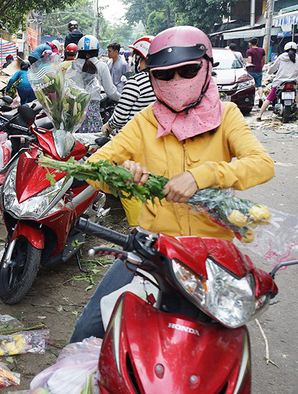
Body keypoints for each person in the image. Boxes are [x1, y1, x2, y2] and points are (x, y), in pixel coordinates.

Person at [69, 26, 274, 343]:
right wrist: (123, 174)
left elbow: (262, 164)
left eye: (187, 70)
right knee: (87, 332)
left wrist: (202, 176)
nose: (176, 82)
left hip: (211, 255)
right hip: (152, 248)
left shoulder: (227, 115)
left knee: (219, 348)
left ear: (206, 67)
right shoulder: (144, 122)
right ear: (152, 77)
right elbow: (94, 166)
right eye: (165, 75)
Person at [65, 35, 121, 133]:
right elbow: (111, 92)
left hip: (73, 115)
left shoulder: (72, 67)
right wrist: (122, 99)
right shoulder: (102, 66)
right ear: (97, 51)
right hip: (92, 116)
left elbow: (66, 90)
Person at [102, 36, 156, 136]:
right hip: (150, 134)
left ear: (139, 57)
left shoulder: (136, 82)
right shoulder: (160, 81)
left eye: (134, 55)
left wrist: (108, 126)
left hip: (131, 137)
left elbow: (119, 118)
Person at [256, 42, 298, 121]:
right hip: (293, 82)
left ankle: (260, 114)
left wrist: (269, 72)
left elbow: (273, 68)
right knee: (297, 95)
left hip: (280, 82)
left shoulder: (281, 57)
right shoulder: (297, 58)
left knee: (269, 98)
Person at [246, 38, 267, 106]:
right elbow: (263, 60)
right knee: (259, 85)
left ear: (250, 44)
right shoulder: (262, 50)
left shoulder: (249, 51)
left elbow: (250, 61)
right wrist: (262, 66)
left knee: (251, 86)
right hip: (259, 70)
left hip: (251, 70)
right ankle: (260, 97)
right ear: (257, 43)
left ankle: (251, 100)